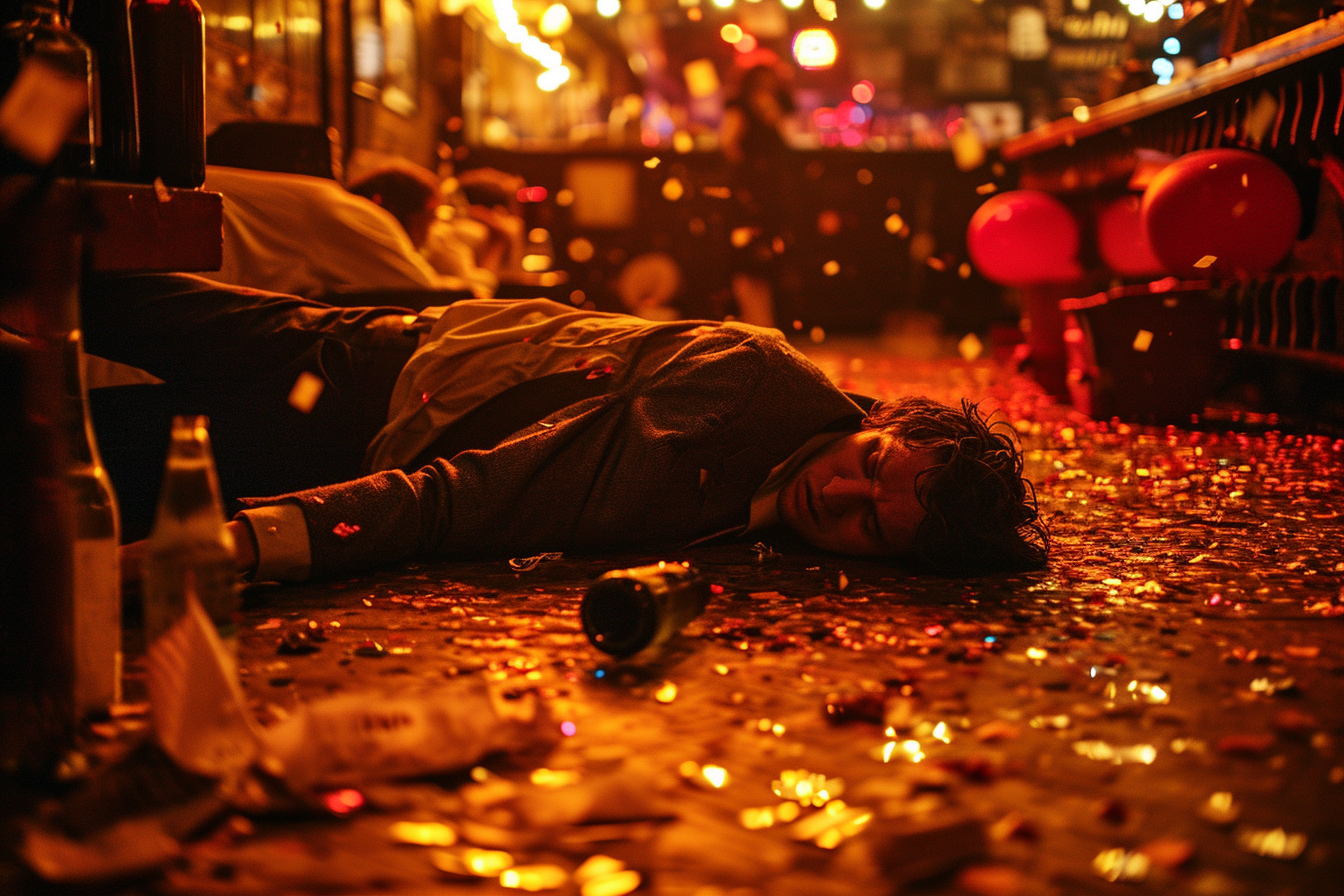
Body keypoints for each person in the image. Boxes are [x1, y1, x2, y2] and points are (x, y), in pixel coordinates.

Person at [84, 275, 1047, 586]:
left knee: (65, 441)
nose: (835, 494)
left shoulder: (765, 527)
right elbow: (472, 501)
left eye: (869, 524)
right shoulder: (744, 395)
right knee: (92, 296)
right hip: (376, 380)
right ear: (878, 419)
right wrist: (245, 545)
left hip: (384, 407)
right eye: (869, 463)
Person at [718, 62, 798, 329]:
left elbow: (791, 140)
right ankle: (755, 321)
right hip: (749, 195)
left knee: (765, 260)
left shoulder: (778, 110)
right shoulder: (739, 110)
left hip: (772, 196)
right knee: (747, 258)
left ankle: (763, 322)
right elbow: (728, 146)